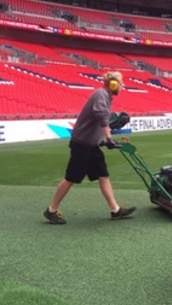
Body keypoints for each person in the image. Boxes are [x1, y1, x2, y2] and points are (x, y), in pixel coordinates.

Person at [44, 71, 136, 225]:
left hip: (92, 145)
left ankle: (115, 210)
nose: (121, 87)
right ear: (113, 84)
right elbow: (101, 117)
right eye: (120, 84)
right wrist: (108, 138)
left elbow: (95, 123)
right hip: (82, 145)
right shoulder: (101, 94)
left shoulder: (106, 97)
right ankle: (51, 210)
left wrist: (103, 141)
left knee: (103, 175)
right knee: (71, 178)